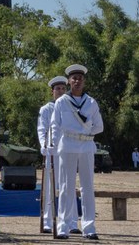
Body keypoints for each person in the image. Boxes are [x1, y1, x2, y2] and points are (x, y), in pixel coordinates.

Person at [51, 64, 104, 241]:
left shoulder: (91, 102)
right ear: (69, 81)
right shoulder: (62, 102)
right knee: (66, 187)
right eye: (74, 78)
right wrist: (55, 146)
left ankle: (89, 227)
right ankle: (63, 227)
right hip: (67, 144)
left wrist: (86, 133)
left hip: (86, 145)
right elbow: (55, 126)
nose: (77, 81)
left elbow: (99, 126)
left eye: (80, 78)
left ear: (84, 81)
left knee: (87, 187)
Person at [37, 76, 68, 233]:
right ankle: (48, 221)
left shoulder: (70, 107)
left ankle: (69, 221)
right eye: (58, 89)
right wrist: (44, 145)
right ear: (52, 91)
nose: (60, 91)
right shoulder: (46, 109)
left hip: (67, 151)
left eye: (63, 89)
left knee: (67, 187)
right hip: (51, 151)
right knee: (49, 188)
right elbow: (42, 129)